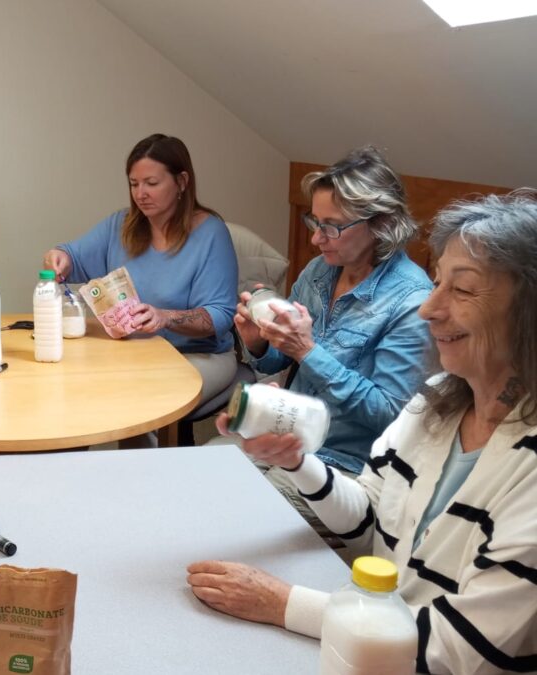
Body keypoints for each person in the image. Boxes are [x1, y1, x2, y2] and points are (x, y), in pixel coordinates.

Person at [188, 191, 537, 675]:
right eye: (438, 283)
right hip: (369, 640)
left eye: (461, 290)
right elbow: (369, 525)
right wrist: (298, 462)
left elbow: (459, 651)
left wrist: (282, 603)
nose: (428, 309)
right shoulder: (436, 403)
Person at [231, 146, 432, 544]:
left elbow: (391, 416)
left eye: (332, 226)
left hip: (343, 466)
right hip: (285, 439)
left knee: (233, 523)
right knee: (195, 492)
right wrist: (258, 345)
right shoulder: (321, 270)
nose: (315, 237)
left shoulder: (412, 302)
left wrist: (308, 351)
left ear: (382, 223)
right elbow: (276, 362)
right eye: (314, 221)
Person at [43, 133, 239, 408]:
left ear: (182, 181)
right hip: (135, 352)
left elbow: (219, 316)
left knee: (139, 399)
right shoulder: (121, 224)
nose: (140, 194)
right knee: (71, 388)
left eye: (152, 183)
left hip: (197, 356)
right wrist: (58, 257)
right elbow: (72, 256)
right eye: (134, 184)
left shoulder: (211, 234)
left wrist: (165, 317)